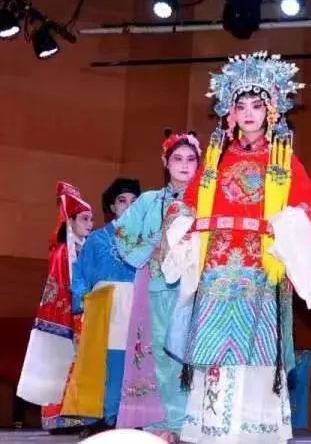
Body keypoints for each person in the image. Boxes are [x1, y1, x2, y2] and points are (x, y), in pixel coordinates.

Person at [162, 51, 311, 444]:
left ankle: (253, 431)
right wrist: (181, 221)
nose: (249, 113)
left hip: (260, 272)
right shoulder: (214, 160)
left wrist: (290, 224)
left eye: (257, 105)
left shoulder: (283, 160)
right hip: (216, 271)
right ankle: (214, 430)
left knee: (255, 355)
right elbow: (186, 205)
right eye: (241, 106)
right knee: (214, 352)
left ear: (271, 111)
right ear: (231, 113)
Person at [114, 132, 201, 442]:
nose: (184, 165)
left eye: (191, 159)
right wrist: (155, 246)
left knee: (190, 354)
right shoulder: (149, 201)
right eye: (177, 159)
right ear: (165, 162)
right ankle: (162, 423)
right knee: (160, 354)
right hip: (155, 285)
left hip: (195, 287)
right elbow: (122, 234)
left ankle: (189, 422)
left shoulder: (207, 199)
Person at [17, 182, 95, 432]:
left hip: (86, 315)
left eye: (91, 219)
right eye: (84, 219)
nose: (90, 224)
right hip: (67, 315)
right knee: (61, 362)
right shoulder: (63, 251)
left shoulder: (86, 248)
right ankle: (60, 417)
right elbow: (61, 285)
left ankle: (80, 415)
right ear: (70, 221)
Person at [69, 178, 141, 435]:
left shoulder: (145, 241)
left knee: (132, 361)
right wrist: (82, 299)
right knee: (101, 362)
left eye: (134, 201)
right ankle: (99, 417)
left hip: (135, 304)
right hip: (103, 305)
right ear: (112, 206)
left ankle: (127, 415)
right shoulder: (97, 239)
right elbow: (80, 274)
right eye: (122, 200)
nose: (128, 206)